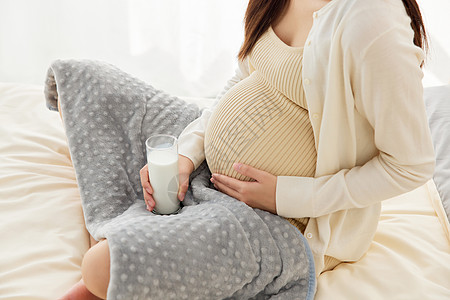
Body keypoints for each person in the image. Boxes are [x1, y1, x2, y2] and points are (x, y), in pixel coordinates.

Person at [59, 0, 434, 299]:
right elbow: (246, 76)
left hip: (281, 223)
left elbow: (410, 166)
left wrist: (286, 197)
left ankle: (135, 242)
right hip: (209, 173)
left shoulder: (372, 24)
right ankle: (142, 238)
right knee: (84, 80)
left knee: (100, 266)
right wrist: (188, 152)